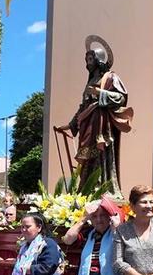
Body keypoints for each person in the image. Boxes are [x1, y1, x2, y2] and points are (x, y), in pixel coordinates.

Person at [56, 38, 134, 193]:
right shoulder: (90, 81)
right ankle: (86, 188)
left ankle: (102, 187)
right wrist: (70, 125)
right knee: (87, 159)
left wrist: (100, 93)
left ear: (99, 60)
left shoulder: (111, 77)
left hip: (102, 125)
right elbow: (83, 106)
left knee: (100, 155)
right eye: (87, 59)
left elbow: (121, 98)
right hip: (87, 124)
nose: (88, 62)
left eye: (90, 58)